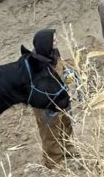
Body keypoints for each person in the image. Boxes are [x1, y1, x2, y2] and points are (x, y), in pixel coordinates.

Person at [28, 28, 78, 168]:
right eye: (53, 40)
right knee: (50, 130)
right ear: (45, 43)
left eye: (56, 38)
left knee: (65, 123)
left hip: (61, 95)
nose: (57, 41)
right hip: (45, 103)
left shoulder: (54, 53)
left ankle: (67, 149)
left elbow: (60, 68)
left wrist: (67, 76)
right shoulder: (34, 63)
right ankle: (54, 160)